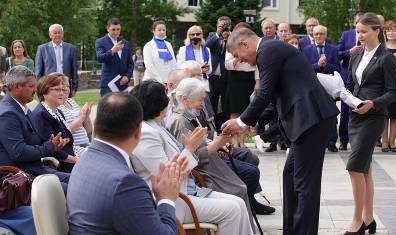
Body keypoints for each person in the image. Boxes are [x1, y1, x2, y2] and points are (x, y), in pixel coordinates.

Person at [221, 28, 339, 234]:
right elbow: (274, 100)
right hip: (305, 121)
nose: (240, 61)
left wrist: (241, 121)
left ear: (244, 45)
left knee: (305, 185)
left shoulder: (267, 50)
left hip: (311, 120)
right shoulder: (269, 50)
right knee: (291, 176)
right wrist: (252, 125)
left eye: (238, 56)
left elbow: (265, 93)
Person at [130, 80, 253, 235]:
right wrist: (190, 148)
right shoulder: (146, 133)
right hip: (174, 200)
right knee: (233, 210)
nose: (169, 101)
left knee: (239, 203)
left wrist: (192, 148)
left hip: (187, 190)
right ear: (157, 104)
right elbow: (167, 176)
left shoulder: (155, 126)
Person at [67, 92, 188, 234]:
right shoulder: (126, 183)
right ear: (138, 132)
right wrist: (166, 199)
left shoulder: (85, 159)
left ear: (95, 123)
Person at [345, 13, 396, 234]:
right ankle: (368, 219)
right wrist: (344, 94)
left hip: (374, 117)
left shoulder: (386, 57)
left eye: (364, 31)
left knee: (354, 167)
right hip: (355, 116)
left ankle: (357, 221)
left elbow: (393, 91)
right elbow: (349, 84)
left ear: (377, 31)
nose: (360, 36)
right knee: (364, 170)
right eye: (358, 31)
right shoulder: (355, 55)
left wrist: (373, 103)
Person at [0, 65, 70, 191]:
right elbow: (19, 152)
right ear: (17, 87)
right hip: (18, 177)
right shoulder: (8, 114)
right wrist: (49, 147)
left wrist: (53, 143)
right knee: (67, 189)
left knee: (77, 180)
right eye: (31, 86)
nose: (35, 89)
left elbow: (33, 140)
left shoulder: (22, 108)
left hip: (34, 170)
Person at [32, 73, 79, 173]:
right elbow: (52, 150)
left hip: (72, 157)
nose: (62, 93)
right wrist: (77, 160)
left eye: (64, 89)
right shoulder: (41, 115)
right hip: (61, 166)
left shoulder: (58, 111)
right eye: (57, 89)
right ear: (44, 92)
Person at [224, 22, 257, 148]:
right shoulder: (232, 43)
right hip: (235, 79)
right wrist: (237, 59)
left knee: (246, 113)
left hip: (250, 79)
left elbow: (255, 64)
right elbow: (226, 64)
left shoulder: (251, 45)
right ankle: (234, 143)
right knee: (235, 112)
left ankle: (242, 142)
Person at [337, 11, 366, 151]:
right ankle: (343, 140)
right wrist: (350, 51)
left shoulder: (370, 35)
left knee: (362, 109)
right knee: (345, 109)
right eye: (357, 21)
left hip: (365, 78)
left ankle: (359, 140)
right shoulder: (346, 34)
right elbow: (337, 53)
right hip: (347, 77)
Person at [35, 24, 79, 94]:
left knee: (65, 104)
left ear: (63, 34)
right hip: (48, 85)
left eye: (59, 32)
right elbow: (38, 70)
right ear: (50, 35)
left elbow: (74, 70)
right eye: (55, 33)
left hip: (65, 85)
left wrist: (74, 87)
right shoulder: (42, 49)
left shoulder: (71, 48)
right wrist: (39, 86)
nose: (57, 35)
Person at [205, 16, 231, 131]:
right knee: (211, 105)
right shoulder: (212, 35)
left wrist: (228, 38)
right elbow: (207, 45)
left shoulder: (232, 36)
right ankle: (212, 130)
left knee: (226, 106)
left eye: (225, 26)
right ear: (217, 26)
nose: (223, 28)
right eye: (221, 26)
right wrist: (218, 34)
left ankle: (224, 129)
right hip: (213, 78)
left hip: (226, 78)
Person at [95, 18, 133, 96]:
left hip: (122, 84)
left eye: (118, 29)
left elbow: (130, 63)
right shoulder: (100, 41)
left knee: (124, 108)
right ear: (108, 29)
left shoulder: (125, 43)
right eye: (113, 29)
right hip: (108, 85)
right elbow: (100, 58)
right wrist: (112, 51)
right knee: (107, 108)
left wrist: (127, 76)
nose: (116, 32)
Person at [58, 76, 92, 155]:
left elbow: (88, 131)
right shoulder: (56, 106)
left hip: (86, 144)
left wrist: (86, 116)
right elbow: (64, 133)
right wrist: (81, 117)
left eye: (67, 86)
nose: (66, 89)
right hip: (73, 147)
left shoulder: (71, 101)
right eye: (62, 87)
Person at [381, 20, 396, 152]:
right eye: (388, 30)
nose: (391, 32)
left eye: (394, 30)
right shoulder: (381, 47)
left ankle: (392, 142)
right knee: (384, 114)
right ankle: (384, 142)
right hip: (383, 85)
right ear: (385, 33)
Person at [177, 25, 211, 92]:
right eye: (193, 34)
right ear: (189, 36)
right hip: (188, 83)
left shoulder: (207, 50)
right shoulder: (183, 50)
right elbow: (179, 68)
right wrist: (199, 69)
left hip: (203, 84)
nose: (195, 36)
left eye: (198, 34)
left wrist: (205, 69)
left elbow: (210, 70)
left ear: (201, 35)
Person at [143, 20, 176, 84]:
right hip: (153, 82)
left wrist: (173, 78)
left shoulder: (168, 45)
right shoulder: (148, 45)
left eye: (164, 30)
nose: (162, 32)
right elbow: (149, 65)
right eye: (159, 30)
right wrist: (159, 80)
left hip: (168, 81)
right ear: (154, 31)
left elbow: (173, 63)